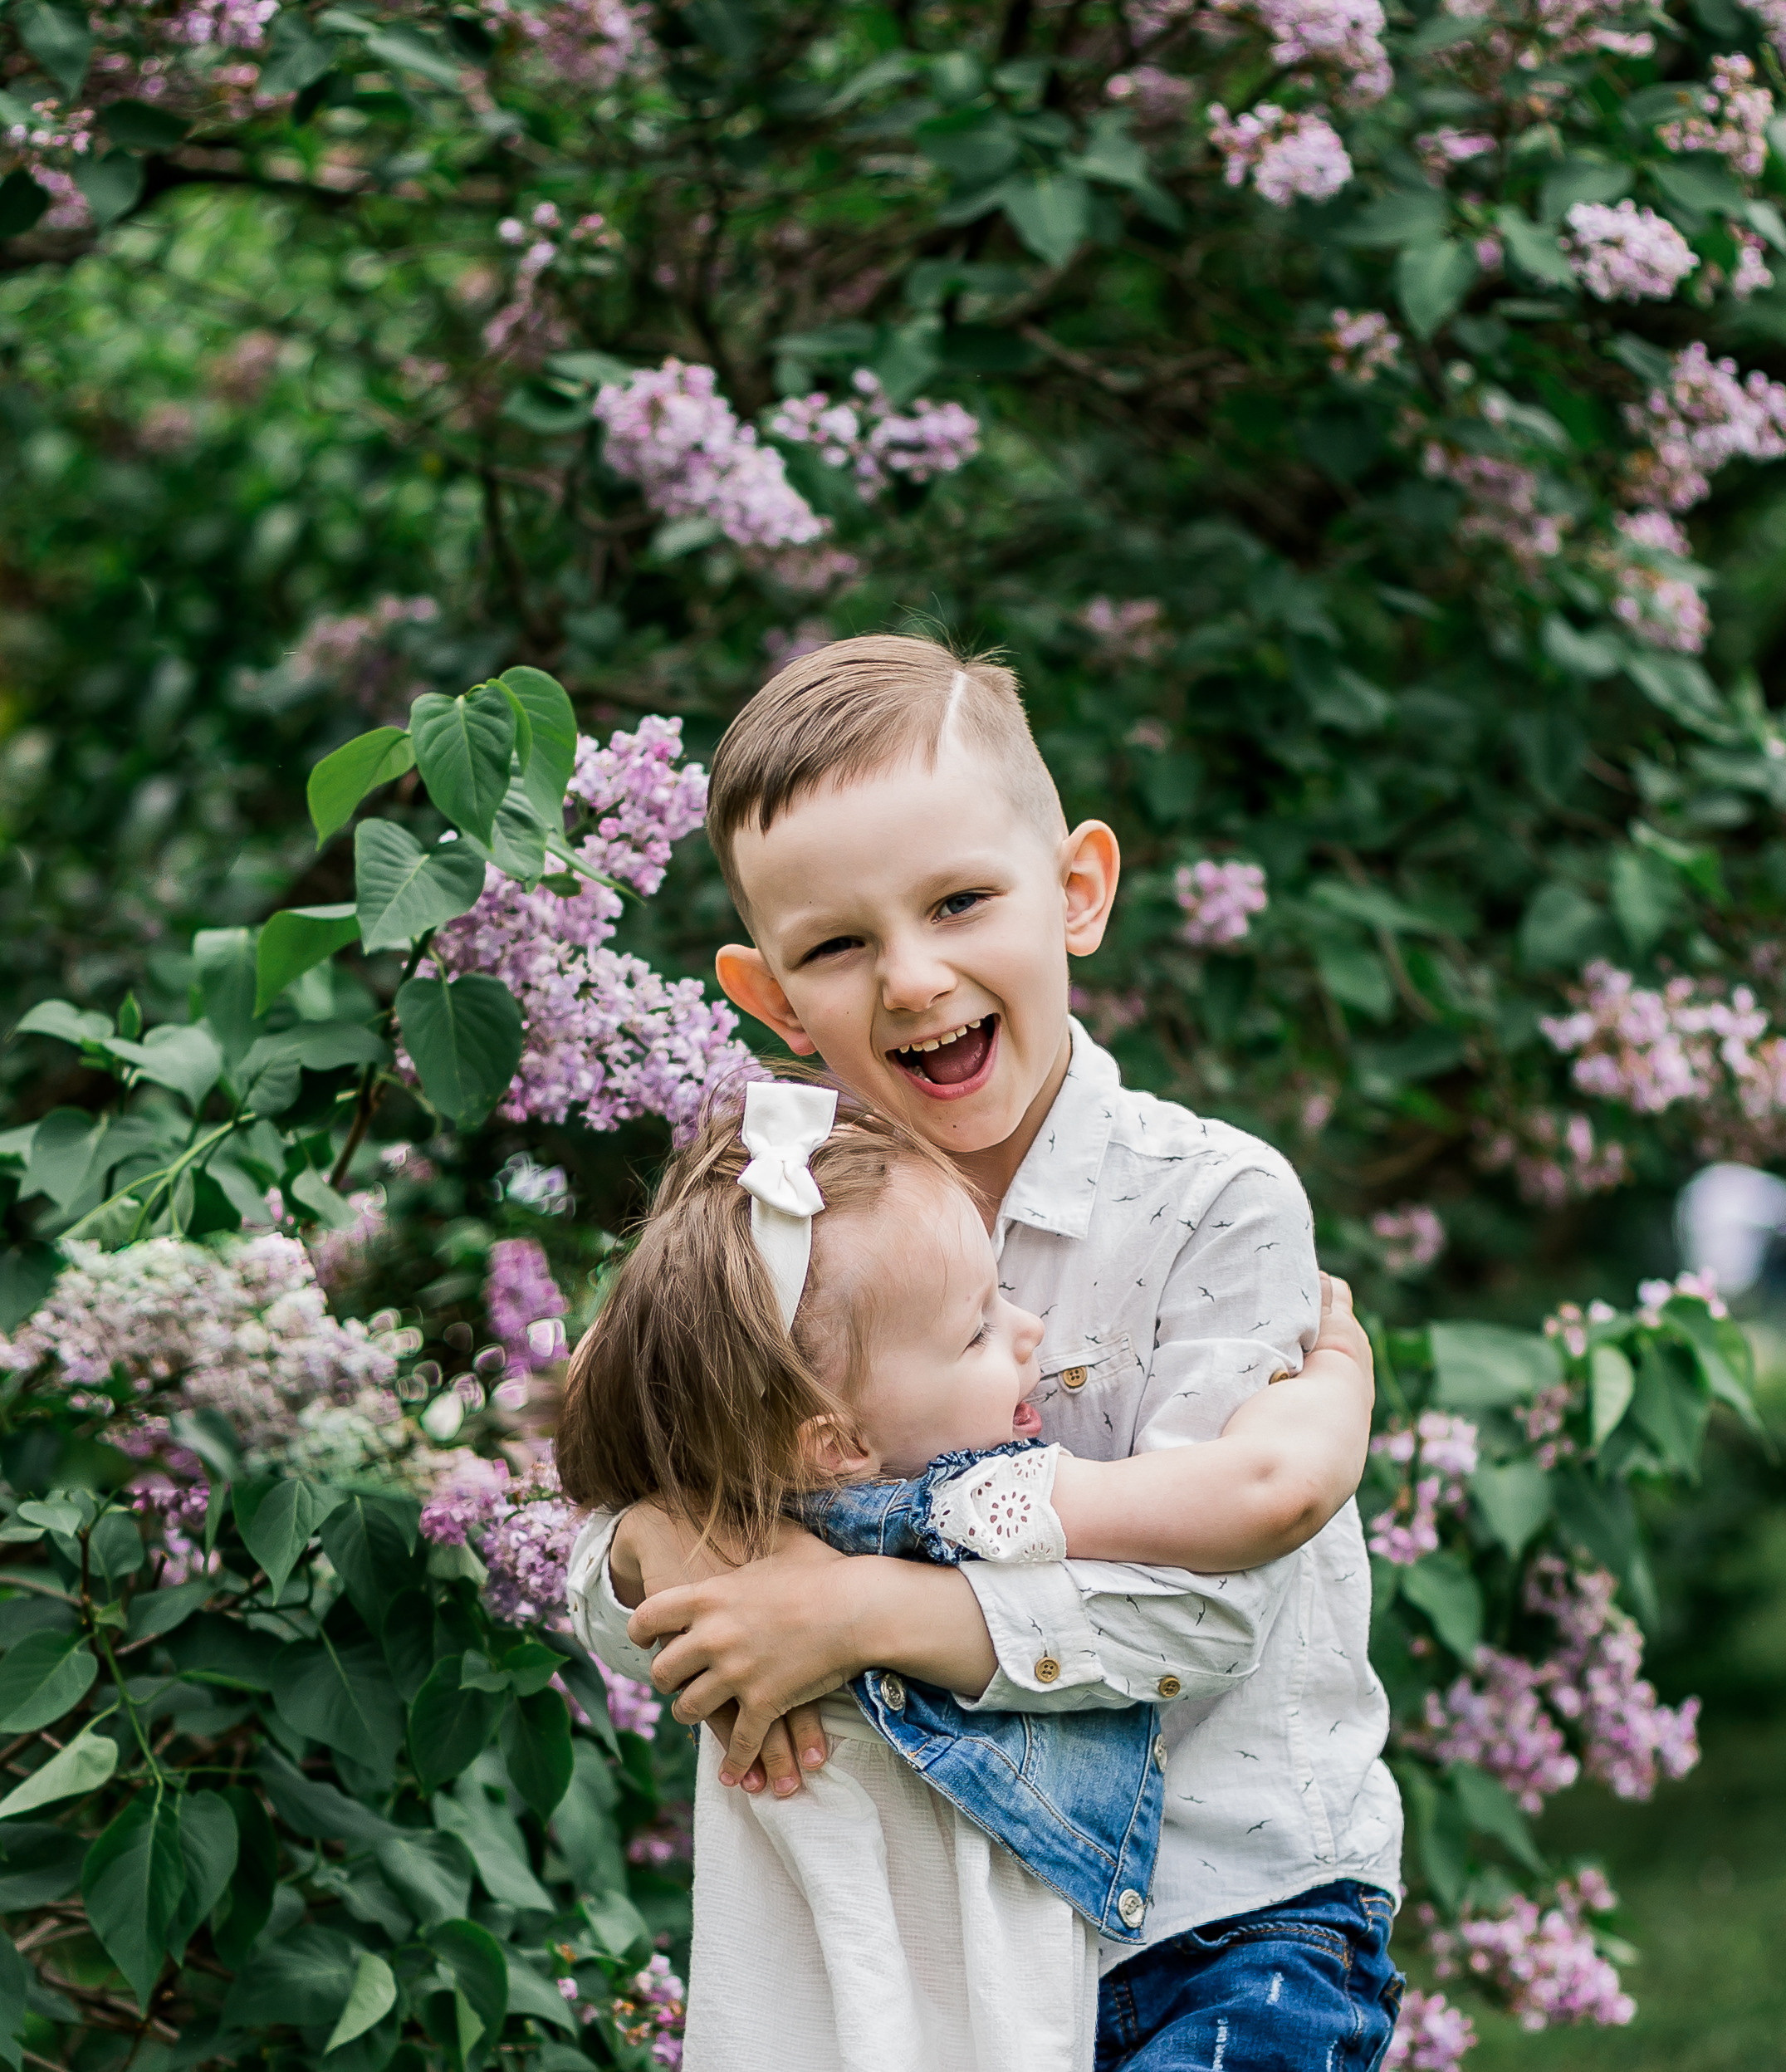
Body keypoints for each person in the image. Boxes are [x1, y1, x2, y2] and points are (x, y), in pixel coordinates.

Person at [589, 632, 1403, 2072]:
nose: (912, 977)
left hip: (1232, 1916)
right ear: (768, 995)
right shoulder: (781, 1215)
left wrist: (852, 1613)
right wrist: (672, 1538)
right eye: (836, 945)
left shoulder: (1210, 1201)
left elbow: (1203, 1610)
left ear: (1075, 891)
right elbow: (591, 1531)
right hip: (952, 1958)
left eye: (961, 900)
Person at [560, 1077, 1377, 2072]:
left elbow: (599, 1406)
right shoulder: (962, 1507)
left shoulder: (730, 1499)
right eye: (980, 1327)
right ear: (835, 1442)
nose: (1029, 1328)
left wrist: (692, 1546)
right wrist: (1337, 1378)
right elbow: (1259, 1495)